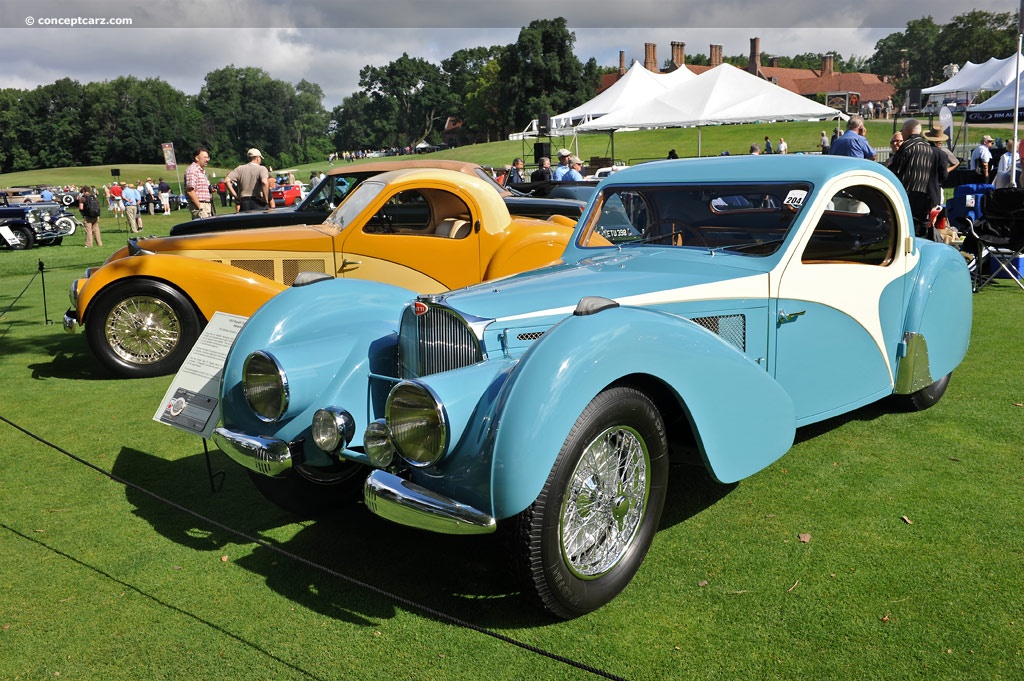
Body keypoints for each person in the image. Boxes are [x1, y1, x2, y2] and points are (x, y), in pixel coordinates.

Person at [888, 118, 948, 232]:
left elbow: (896, 170)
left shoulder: (907, 146)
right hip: (925, 196)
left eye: (902, 130)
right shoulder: (928, 147)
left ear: (908, 130)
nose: (902, 133)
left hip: (907, 194)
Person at [225, 148, 270, 212]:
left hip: (244, 201)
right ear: (257, 158)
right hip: (257, 200)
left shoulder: (240, 169)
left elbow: (226, 181)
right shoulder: (262, 169)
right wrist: (266, 199)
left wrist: (235, 196)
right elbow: (264, 182)